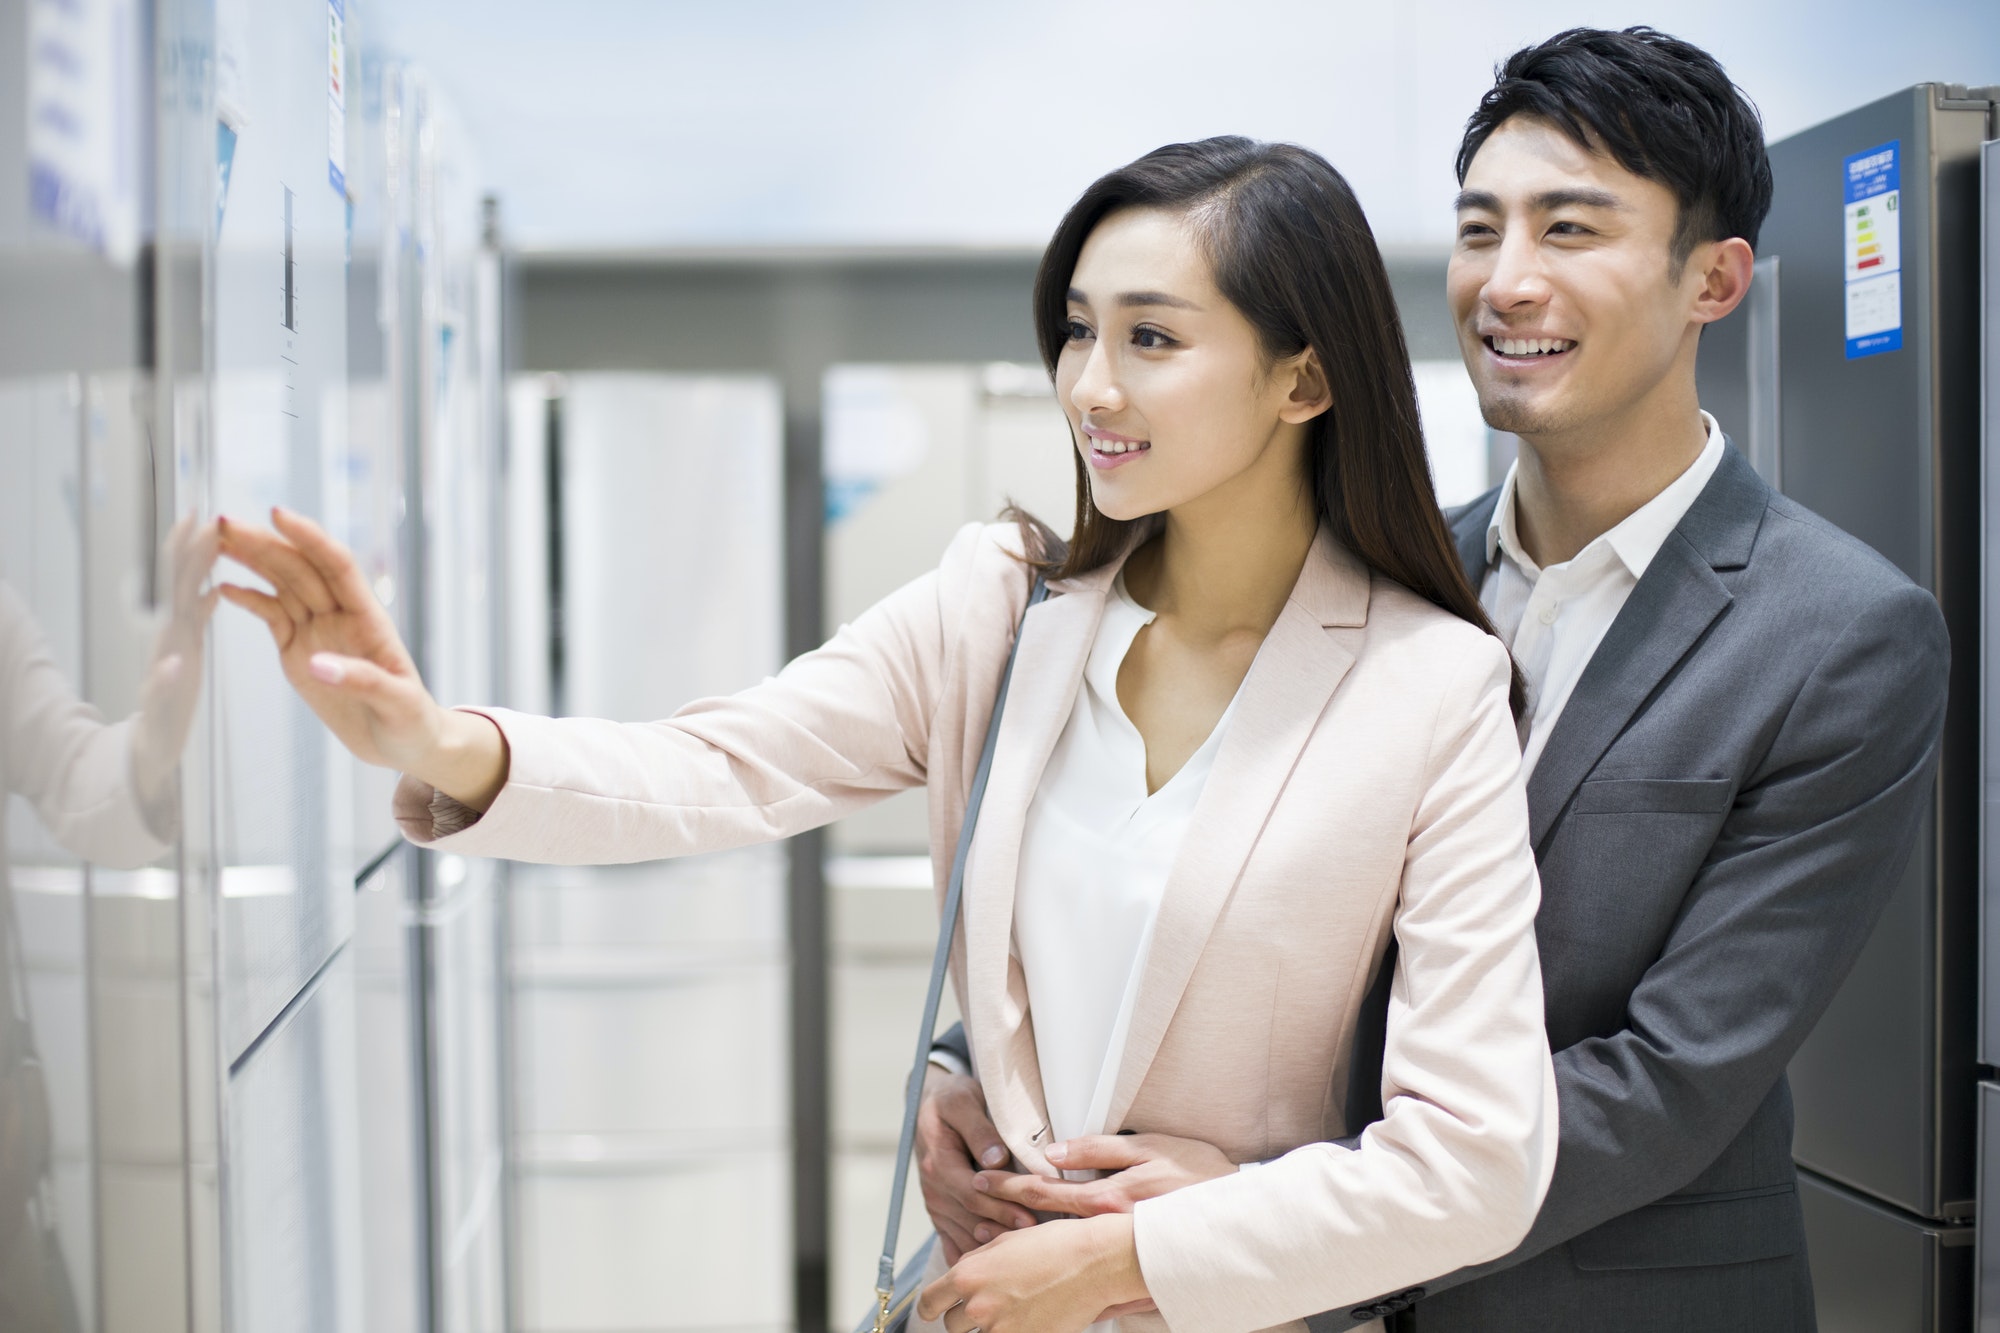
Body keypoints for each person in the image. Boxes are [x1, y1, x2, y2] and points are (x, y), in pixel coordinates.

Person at [219, 137, 1556, 1333]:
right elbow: (715, 768)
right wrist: (444, 742)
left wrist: (1124, 1255)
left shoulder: (1429, 689)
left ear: (1303, 378)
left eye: (1152, 338)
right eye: (1077, 330)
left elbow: (1476, 1162)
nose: (1091, 382)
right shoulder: (1001, 611)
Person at [920, 27, 1950, 1333]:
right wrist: (975, 1063)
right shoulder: (1366, 576)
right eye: (1481, 230)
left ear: (1716, 280)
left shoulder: (1844, 636)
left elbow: (1675, 1073)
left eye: (1570, 230)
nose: (1506, 281)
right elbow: (1160, 855)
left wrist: (1259, 1213)